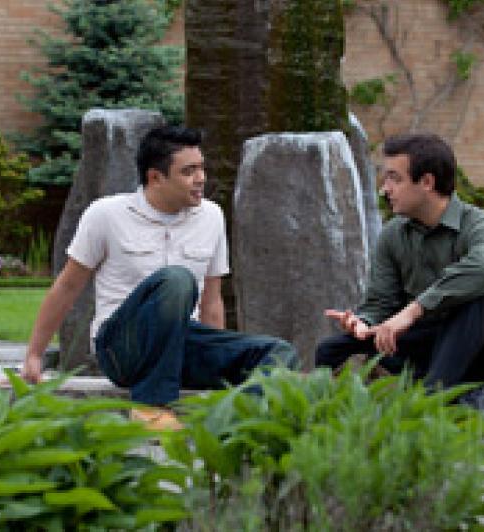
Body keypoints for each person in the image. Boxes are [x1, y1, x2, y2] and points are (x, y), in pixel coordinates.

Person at [23, 125, 297, 429]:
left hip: (181, 343)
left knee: (278, 352)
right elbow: (68, 286)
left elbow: (212, 299)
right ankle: (150, 405)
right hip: (122, 348)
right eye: (189, 171)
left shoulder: (211, 217)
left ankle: (234, 422)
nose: (201, 179)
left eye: (202, 168)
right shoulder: (106, 214)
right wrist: (35, 354)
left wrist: (212, 350)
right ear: (155, 177)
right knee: (176, 281)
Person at [315, 133, 484, 409]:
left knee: (478, 298)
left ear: (427, 182)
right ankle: (331, 418)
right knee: (330, 348)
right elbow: (381, 302)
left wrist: (413, 310)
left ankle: (430, 403)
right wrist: (364, 323)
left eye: (395, 178)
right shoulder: (393, 234)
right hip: (430, 344)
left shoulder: (479, 226)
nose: (385, 189)